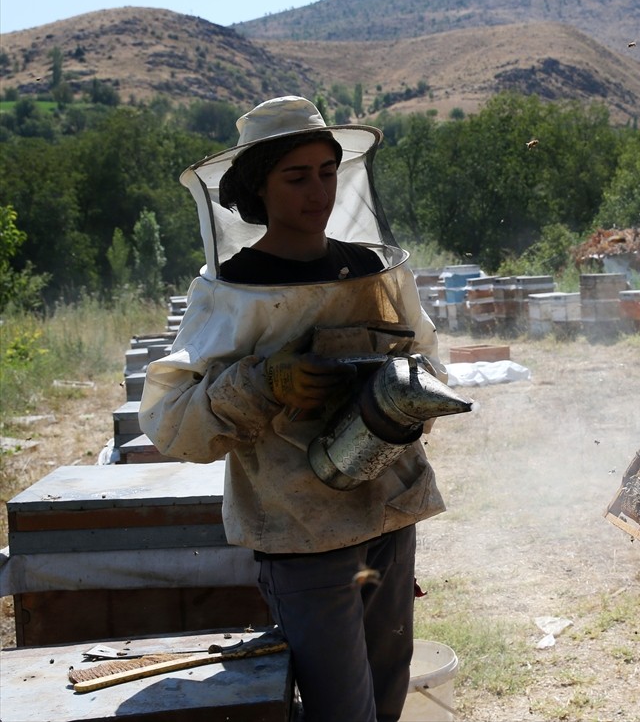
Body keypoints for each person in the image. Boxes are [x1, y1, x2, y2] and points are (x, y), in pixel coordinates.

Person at [140, 96, 446, 722]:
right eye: (297, 176)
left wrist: (407, 393)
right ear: (259, 185)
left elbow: (426, 360)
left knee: (387, 699)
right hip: (301, 533)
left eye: (327, 172)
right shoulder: (233, 288)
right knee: (342, 711)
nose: (318, 191)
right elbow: (170, 421)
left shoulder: (370, 269)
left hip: (389, 513)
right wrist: (262, 383)